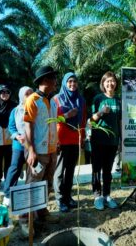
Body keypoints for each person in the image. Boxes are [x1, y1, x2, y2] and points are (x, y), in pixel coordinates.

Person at [22, 65, 59, 231]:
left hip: (52, 151)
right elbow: (27, 126)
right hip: (38, 152)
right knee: (32, 184)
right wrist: (31, 151)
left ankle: (42, 212)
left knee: (46, 184)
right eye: (53, 78)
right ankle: (25, 220)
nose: (56, 81)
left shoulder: (52, 100)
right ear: (45, 80)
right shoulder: (32, 100)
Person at [53, 72, 87, 212]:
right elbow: (52, 120)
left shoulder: (81, 100)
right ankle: (59, 199)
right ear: (65, 83)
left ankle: (68, 196)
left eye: (74, 81)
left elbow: (83, 120)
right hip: (61, 139)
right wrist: (67, 115)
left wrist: (83, 137)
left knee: (70, 171)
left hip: (75, 139)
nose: (72, 84)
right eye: (69, 82)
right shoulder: (56, 99)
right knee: (59, 171)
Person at [90, 71, 121, 210]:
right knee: (96, 169)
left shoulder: (118, 100)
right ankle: (97, 196)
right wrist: (101, 112)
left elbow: (120, 121)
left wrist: (120, 140)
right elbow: (91, 120)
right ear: (103, 84)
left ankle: (107, 195)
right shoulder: (98, 98)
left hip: (112, 141)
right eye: (107, 81)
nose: (110, 83)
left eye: (112, 81)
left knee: (108, 170)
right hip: (98, 140)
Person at [2, 86, 33, 206]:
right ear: (21, 96)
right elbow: (11, 127)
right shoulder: (15, 111)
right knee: (14, 168)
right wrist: (17, 136)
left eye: (31, 93)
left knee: (33, 170)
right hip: (19, 145)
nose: (30, 96)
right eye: (27, 94)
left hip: (34, 146)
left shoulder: (38, 109)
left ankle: (30, 194)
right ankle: (8, 195)